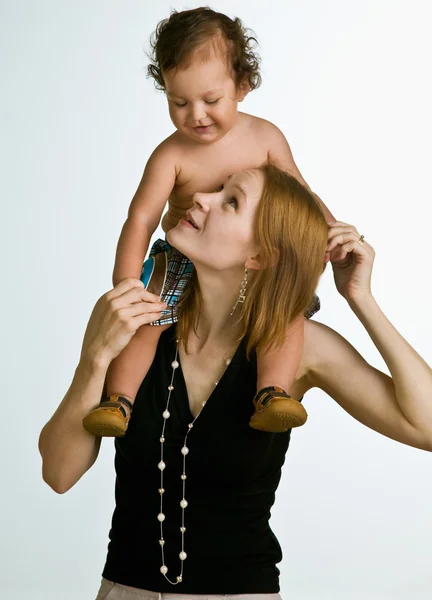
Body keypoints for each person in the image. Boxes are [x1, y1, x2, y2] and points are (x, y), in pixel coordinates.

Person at [38, 165, 432, 599]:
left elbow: (426, 426)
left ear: (260, 255)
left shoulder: (296, 347)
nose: (201, 199)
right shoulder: (139, 322)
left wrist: (361, 299)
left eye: (230, 201)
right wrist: (94, 359)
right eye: (215, 188)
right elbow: (58, 474)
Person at [82, 6, 336, 439]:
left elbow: (301, 193)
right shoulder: (171, 155)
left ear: (242, 85)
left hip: (251, 262)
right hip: (181, 255)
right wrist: (126, 282)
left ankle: (272, 392)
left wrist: (330, 230)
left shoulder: (265, 137)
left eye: (211, 101)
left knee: (287, 312)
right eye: (178, 102)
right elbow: (141, 218)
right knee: (148, 319)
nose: (195, 114)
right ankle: (119, 401)